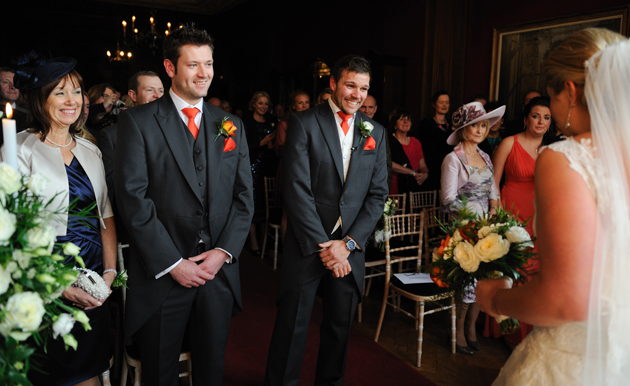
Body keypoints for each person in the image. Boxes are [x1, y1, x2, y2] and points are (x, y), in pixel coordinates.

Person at [476, 28, 630, 386]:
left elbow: (567, 300)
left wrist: (497, 299)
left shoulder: (565, 158)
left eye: (552, 98)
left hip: (577, 359)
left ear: (571, 91)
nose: (552, 113)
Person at [114, 24, 254, 385]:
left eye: (208, 63)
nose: (204, 73)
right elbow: (133, 199)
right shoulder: (138, 121)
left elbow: (243, 198)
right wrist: (173, 263)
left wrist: (222, 252)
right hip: (163, 276)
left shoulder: (230, 125)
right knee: (161, 375)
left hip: (216, 272)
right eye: (193, 65)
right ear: (170, 67)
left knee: (211, 372)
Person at [265, 55, 388, 385]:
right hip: (309, 246)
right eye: (350, 85)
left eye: (363, 88)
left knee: (339, 330)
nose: (356, 95)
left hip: (350, 250)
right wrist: (325, 246)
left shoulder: (375, 131)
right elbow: (295, 188)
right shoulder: (304, 123)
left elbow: (377, 195)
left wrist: (347, 245)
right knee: (292, 327)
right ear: (333, 83)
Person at [4, 53, 116, 386]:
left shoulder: (91, 149)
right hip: (44, 278)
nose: (73, 101)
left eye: (78, 91)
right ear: (41, 99)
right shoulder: (20, 149)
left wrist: (108, 275)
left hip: (93, 279)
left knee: (88, 371)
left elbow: (105, 220)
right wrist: (57, 286)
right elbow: (11, 233)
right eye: (61, 92)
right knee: (52, 373)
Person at [441, 101, 504, 356]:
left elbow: (493, 189)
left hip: (487, 226)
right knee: (467, 280)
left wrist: (494, 212)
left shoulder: (486, 156)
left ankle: (471, 329)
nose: (479, 130)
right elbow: (447, 199)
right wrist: (474, 219)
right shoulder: (452, 159)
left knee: (484, 279)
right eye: (474, 125)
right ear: (464, 128)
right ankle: (456, 331)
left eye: (483, 125)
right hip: (464, 227)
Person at [486, 96, 551, 344]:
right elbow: (493, 181)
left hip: (539, 214)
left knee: (534, 270)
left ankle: (530, 328)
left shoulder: (551, 150)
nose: (540, 122)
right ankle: (509, 331)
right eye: (536, 116)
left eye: (546, 118)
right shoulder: (508, 143)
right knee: (512, 267)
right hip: (511, 210)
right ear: (525, 119)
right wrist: (498, 212)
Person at [99, 71, 164, 244]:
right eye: (150, 90)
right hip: (133, 233)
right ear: (133, 95)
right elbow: (111, 189)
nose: (157, 95)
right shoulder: (112, 136)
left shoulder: (178, 131)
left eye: (161, 91)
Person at [242, 91, 277, 255]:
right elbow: (242, 148)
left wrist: (271, 146)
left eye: (266, 104)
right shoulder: (246, 121)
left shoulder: (271, 121)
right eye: (260, 103)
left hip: (268, 168)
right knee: (252, 205)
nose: (263, 107)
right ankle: (253, 242)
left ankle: (266, 243)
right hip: (251, 168)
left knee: (266, 205)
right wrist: (261, 143)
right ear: (254, 104)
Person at [273, 89, 310, 240]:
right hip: (289, 170)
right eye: (300, 103)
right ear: (293, 106)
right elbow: (280, 150)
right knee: (287, 212)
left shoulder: (313, 122)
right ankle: (284, 249)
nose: (304, 106)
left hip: (308, 171)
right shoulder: (285, 123)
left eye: (307, 102)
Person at [416, 90, 454, 192]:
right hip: (432, 168)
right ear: (434, 104)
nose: (444, 105)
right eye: (441, 102)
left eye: (447, 102)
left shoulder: (452, 125)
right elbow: (422, 147)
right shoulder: (426, 124)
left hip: (449, 168)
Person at [389, 110, 428, 197]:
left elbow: (422, 166)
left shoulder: (416, 142)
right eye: (402, 119)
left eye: (408, 119)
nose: (406, 122)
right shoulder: (389, 141)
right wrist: (412, 172)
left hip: (413, 185)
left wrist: (424, 175)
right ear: (395, 124)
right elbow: (387, 163)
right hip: (394, 186)